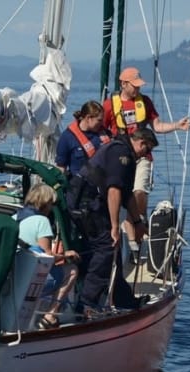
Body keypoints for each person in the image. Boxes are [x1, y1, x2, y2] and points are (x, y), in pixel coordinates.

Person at [67, 128, 158, 313]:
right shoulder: (121, 154)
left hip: (90, 205)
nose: (146, 155)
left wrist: (138, 223)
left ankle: (124, 299)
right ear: (141, 143)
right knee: (106, 248)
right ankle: (86, 303)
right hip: (87, 207)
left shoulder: (126, 154)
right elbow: (114, 190)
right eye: (147, 150)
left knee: (113, 252)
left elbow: (127, 195)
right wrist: (115, 227)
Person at [102, 67, 190, 245]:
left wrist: (177, 126)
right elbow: (102, 130)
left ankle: (135, 224)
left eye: (139, 85)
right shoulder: (110, 105)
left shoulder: (145, 102)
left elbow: (157, 126)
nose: (137, 89)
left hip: (143, 156)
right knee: (120, 193)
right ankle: (130, 236)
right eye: (134, 86)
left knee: (139, 191)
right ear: (123, 84)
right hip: (120, 156)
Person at [14, 183, 80, 329]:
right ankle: (50, 315)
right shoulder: (42, 221)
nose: (51, 208)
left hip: (14, 276)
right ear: (44, 202)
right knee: (72, 270)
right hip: (31, 280)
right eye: (51, 204)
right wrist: (66, 255)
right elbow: (47, 258)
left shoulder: (14, 217)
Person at [56, 100, 110, 177]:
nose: (102, 123)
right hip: (79, 185)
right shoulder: (67, 137)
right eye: (99, 120)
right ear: (88, 118)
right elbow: (61, 167)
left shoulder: (106, 134)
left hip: (102, 183)